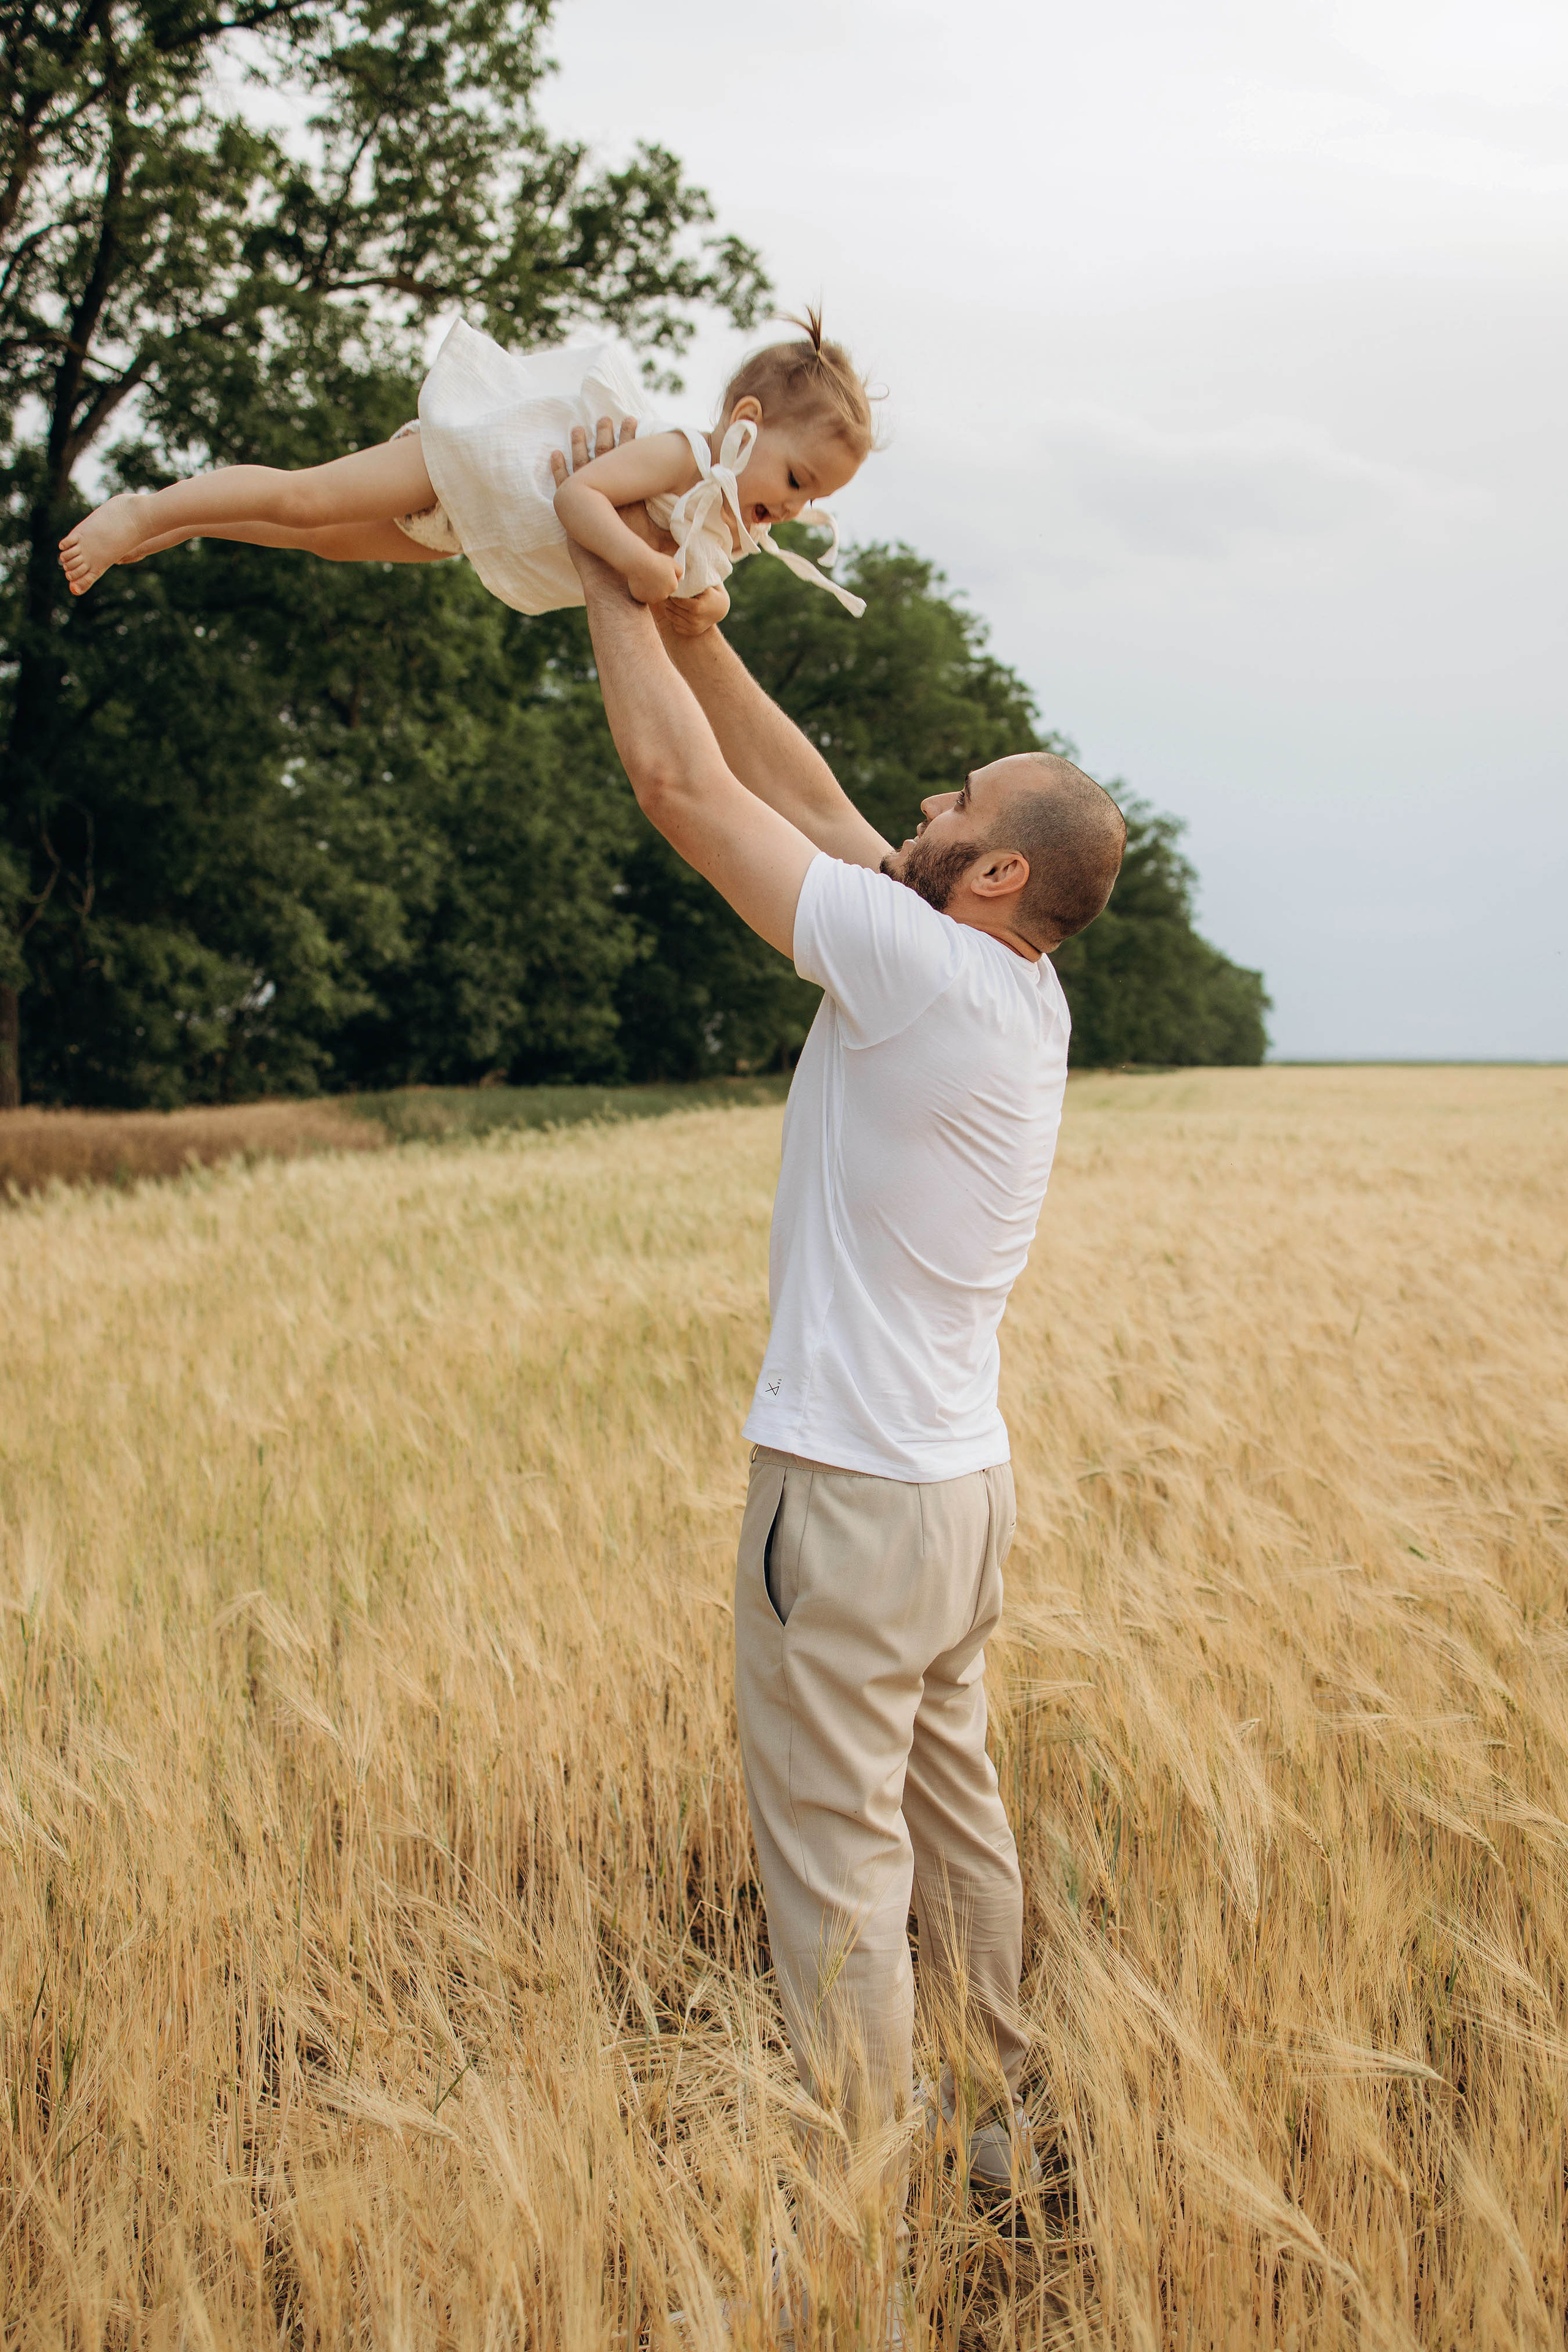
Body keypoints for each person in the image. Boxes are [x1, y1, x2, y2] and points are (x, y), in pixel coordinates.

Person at [549, 421, 1127, 2204]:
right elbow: (810, 802)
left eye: (955, 806)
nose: (923, 815)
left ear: (1005, 873)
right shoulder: (1003, 990)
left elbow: (685, 793)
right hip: (961, 1499)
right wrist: (703, 616)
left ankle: (863, 2178)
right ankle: (1013, 2122)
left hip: (853, 1503)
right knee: (959, 1824)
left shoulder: (920, 976)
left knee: (834, 1857)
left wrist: (590, 560)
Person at [57, 312, 873, 620]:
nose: (796, 509)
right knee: (307, 500)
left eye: (816, 498)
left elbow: (688, 590)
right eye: (797, 480)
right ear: (744, 425)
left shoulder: (719, 523)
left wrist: (700, 591)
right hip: (469, 471)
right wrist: (633, 557)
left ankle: (184, 524)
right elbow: (581, 499)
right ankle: (146, 510)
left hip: (471, 530)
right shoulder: (682, 455)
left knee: (327, 543)